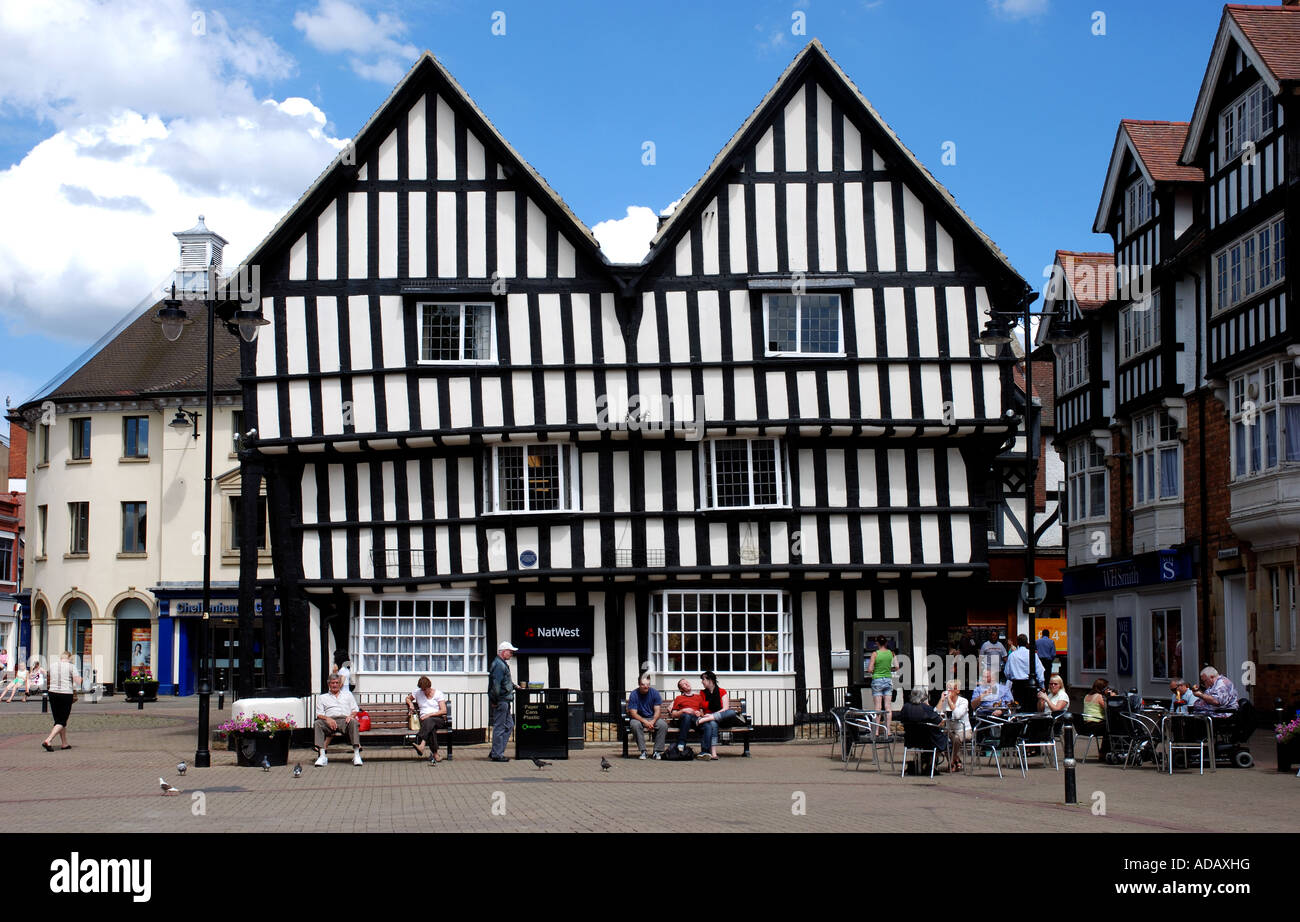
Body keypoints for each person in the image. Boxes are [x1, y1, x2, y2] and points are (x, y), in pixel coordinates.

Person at [314, 673, 362, 766]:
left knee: (353, 722)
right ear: (329, 684)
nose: (335, 685)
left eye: (336, 683)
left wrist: (351, 716)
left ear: (340, 684)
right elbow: (319, 714)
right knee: (317, 723)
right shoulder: (322, 697)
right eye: (332, 683)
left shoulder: (348, 695)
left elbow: (355, 709)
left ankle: (356, 755)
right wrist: (328, 719)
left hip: (344, 720)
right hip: (329, 721)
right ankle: (322, 756)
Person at [488, 640, 522, 762]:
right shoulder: (499, 665)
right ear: (503, 652)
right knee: (500, 727)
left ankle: (496, 751)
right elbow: (496, 685)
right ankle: (497, 754)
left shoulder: (501, 664)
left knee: (509, 725)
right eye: (510, 652)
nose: (512, 654)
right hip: (501, 700)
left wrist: (514, 686)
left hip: (504, 700)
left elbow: (503, 682)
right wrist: (495, 700)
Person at [42, 652, 80, 751]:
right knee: (62, 720)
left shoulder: (52, 665)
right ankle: (48, 740)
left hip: (53, 693)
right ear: (69, 658)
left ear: (61, 658)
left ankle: (64, 743)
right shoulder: (71, 666)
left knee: (58, 719)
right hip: (65, 693)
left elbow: (48, 676)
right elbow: (78, 681)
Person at [697, 670, 738, 760]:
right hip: (709, 719)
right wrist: (705, 716)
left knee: (731, 712)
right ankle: (713, 753)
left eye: (703, 679)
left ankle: (711, 718)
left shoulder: (722, 691)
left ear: (710, 680)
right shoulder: (702, 693)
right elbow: (700, 708)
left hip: (722, 719)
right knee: (713, 724)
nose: (702, 682)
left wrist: (712, 715)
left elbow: (725, 708)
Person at [406, 676, 447, 763]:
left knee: (429, 721)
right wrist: (411, 704)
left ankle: (422, 744)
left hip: (438, 719)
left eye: (425, 689)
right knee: (430, 728)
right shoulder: (418, 692)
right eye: (422, 689)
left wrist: (429, 715)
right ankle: (435, 755)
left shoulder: (438, 694)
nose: (424, 691)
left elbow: (443, 710)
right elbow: (408, 698)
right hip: (425, 722)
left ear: (429, 687)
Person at [626, 676, 668, 759]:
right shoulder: (634, 694)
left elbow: (657, 711)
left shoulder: (655, 693)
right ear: (639, 684)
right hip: (638, 718)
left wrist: (653, 721)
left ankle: (657, 751)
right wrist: (645, 722)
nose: (646, 686)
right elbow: (633, 713)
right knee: (635, 725)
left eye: (647, 684)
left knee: (663, 725)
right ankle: (643, 751)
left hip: (652, 717)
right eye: (643, 684)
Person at [935, 679, 971, 771]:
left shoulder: (963, 701)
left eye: (951, 689)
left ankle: (951, 762)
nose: (948, 691)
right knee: (942, 738)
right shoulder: (945, 701)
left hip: (964, 730)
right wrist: (941, 700)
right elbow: (936, 713)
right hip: (949, 730)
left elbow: (958, 714)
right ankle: (956, 760)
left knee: (956, 739)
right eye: (947, 688)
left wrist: (950, 701)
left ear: (957, 691)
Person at [1005, 634, 1045, 712]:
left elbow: (1007, 673)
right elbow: (1039, 671)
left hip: (1017, 686)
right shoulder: (1032, 655)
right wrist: (1042, 685)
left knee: (1019, 708)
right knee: (1031, 709)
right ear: (1027, 643)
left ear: (1017, 643)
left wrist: (1013, 678)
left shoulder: (1012, 655)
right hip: (1030, 684)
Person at [866, 637, 896, 736]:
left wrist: (875, 671)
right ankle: (888, 731)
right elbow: (897, 666)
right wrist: (888, 670)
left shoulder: (875, 654)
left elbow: (870, 669)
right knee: (888, 706)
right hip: (888, 680)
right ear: (886, 643)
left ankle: (877, 731)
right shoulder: (891, 653)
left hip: (877, 680)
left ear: (877, 643)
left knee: (878, 707)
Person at [669, 678, 708, 754]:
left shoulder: (698, 697)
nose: (687, 684)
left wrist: (699, 713)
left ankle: (704, 752)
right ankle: (682, 742)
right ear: (681, 689)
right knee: (687, 716)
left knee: (707, 726)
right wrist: (683, 710)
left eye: (687, 682)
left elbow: (702, 713)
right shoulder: (679, 698)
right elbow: (673, 714)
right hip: (684, 720)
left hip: (696, 721)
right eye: (684, 684)